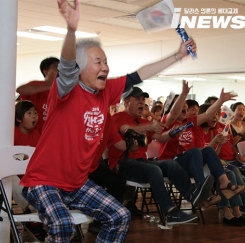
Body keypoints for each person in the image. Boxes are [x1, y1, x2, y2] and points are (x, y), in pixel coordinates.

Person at [20, 0, 198, 242]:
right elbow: (67, 64)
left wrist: (177, 55)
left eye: (105, 62)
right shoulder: (66, 89)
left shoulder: (107, 90)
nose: (105, 67)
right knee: (63, 226)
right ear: (81, 69)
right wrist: (71, 30)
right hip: (44, 182)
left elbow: (140, 74)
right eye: (98, 62)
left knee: (120, 216)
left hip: (77, 183)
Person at [108, 85, 215, 226]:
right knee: (154, 170)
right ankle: (170, 212)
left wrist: (171, 133)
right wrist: (149, 127)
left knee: (171, 164)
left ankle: (193, 195)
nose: (142, 102)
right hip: (123, 163)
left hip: (142, 162)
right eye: (138, 99)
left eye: (143, 99)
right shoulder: (118, 117)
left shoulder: (145, 122)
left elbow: (161, 138)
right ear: (126, 102)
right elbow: (127, 130)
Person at [158, 88, 244, 204]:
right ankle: (201, 188)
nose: (185, 106)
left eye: (185, 105)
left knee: (207, 150)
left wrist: (221, 100)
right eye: (181, 104)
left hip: (187, 166)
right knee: (195, 151)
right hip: (170, 165)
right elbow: (173, 114)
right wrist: (184, 94)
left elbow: (208, 114)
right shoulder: (167, 121)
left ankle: (224, 182)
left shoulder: (189, 122)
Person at [194, 104, 245, 226]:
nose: (216, 117)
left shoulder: (214, 130)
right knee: (228, 174)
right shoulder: (197, 131)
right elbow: (199, 156)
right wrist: (213, 142)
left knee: (234, 172)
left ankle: (237, 211)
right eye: (213, 114)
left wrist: (220, 144)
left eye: (218, 114)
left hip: (213, 165)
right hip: (199, 167)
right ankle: (226, 211)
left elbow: (214, 156)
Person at [13, 100, 47, 241]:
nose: (34, 116)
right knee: (11, 180)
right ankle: (32, 215)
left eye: (35, 113)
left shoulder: (37, 134)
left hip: (32, 176)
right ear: (19, 118)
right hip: (15, 175)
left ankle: (37, 219)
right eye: (29, 113)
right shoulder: (11, 133)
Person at [16, 56, 60, 134]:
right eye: (56, 67)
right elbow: (20, 89)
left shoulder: (63, 90)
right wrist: (51, 86)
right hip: (36, 135)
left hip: (56, 134)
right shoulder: (37, 85)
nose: (60, 70)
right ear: (46, 72)